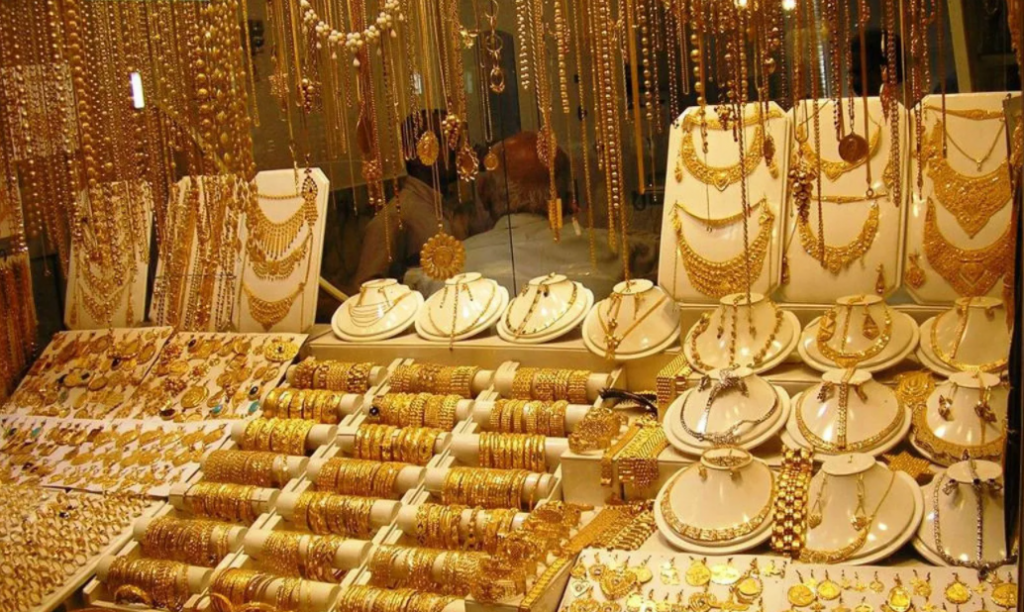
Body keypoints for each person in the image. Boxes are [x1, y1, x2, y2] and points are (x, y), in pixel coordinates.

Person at [348, 110, 464, 293]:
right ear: (415, 154)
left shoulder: (448, 205)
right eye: (444, 142)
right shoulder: (396, 217)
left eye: (456, 142)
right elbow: (365, 291)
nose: (456, 151)